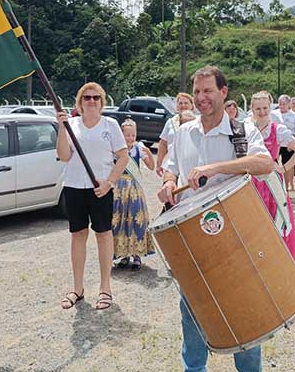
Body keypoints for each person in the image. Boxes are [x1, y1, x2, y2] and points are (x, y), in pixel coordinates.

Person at [158, 65, 273, 372]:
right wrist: (168, 184)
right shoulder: (183, 132)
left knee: (245, 308)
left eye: (208, 91)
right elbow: (170, 171)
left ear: (223, 92)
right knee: (192, 308)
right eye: (197, 91)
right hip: (193, 237)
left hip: (236, 235)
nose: (201, 98)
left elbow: (265, 164)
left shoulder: (242, 130)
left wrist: (215, 167)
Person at [57, 82, 128, 311]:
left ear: (102, 101)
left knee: (103, 235)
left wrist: (109, 183)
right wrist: (61, 127)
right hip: (75, 186)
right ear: (79, 102)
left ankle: (105, 288)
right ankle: (78, 288)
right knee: (78, 234)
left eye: (96, 98)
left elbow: (123, 157)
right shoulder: (72, 125)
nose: (91, 101)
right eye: (86, 98)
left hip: (100, 188)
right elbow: (64, 155)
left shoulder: (110, 125)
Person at [246, 91, 295, 262]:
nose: (262, 112)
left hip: (271, 183)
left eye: (265, 108)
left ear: (270, 108)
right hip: (250, 181)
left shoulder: (278, 129)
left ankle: (277, 261)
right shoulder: (246, 127)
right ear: (251, 109)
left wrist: (283, 168)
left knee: (275, 221)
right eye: (258, 109)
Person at [112, 119, 155, 270]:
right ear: (121, 135)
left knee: (136, 219)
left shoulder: (139, 147)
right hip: (119, 188)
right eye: (127, 135)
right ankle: (123, 254)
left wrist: (149, 153)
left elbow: (151, 166)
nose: (130, 138)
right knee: (121, 219)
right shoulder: (117, 149)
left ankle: (137, 254)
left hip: (135, 187)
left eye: (133, 135)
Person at [156, 92, 195, 176]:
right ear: (177, 106)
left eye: (186, 103)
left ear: (192, 105)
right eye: (180, 103)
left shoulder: (198, 121)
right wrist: (159, 163)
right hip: (171, 164)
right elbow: (163, 143)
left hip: (191, 165)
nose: (183, 105)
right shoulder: (171, 122)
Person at [271, 94, 295, 192]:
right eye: (280, 104)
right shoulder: (274, 113)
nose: (282, 106)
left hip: (288, 144)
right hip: (276, 143)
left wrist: (293, 143)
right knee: (274, 163)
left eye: (284, 104)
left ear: (288, 104)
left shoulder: (294, 116)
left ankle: (288, 184)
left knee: (288, 165)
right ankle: (277, 184)